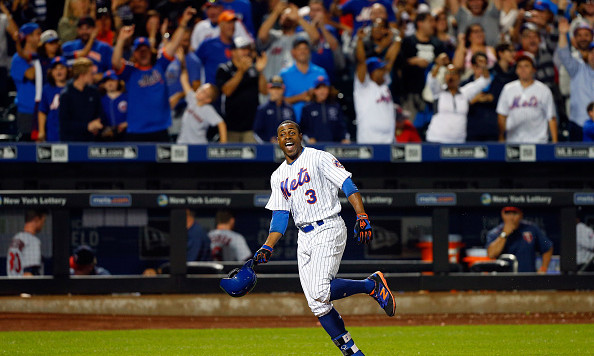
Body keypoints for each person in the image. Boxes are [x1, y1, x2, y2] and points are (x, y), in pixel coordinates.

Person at [253, 120, 396, 356]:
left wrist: (361, 214)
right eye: (282, 134)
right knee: (317, 304)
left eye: (292, 132)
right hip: (304, 237)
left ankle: (371, 285)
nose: (287, 136)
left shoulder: (318, 157)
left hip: (328, 227)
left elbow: (347, 184)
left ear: (300, 136)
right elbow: (280, 216)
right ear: (277, 141)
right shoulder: (277, 176)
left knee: (320, 290)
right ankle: (353, 353)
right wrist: (267, 246)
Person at [112, 7, 196, 142]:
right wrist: (121, 40)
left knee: (162, 163)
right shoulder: (130, 72)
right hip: (137, 130)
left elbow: (173, 45)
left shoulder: (160, 66)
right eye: (139, 50)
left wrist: (183, 23)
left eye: (145, 49)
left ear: (151, 51)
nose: (143, 52)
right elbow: (115, 62)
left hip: (160, 129)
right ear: (134, 54)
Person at [425, 58, 491, 143]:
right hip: (436, 139)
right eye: (448, 73)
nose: (451, 76)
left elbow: (485, 80)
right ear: (445, 77)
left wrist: (483, 67)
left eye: (453, 73)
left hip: (458, 141)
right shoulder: (439, 92)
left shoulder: (465, 92)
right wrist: (438, 65)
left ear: (459, 77)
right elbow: (431, 80)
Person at [496, 53, 558, 143]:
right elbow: (502, 115)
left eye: (526, 66)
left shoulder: (544, 90)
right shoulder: (508, 89)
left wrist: (555, 142)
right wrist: (501, 137)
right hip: (513, 141)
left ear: (533, 69)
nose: (523, 69)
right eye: (520, 66)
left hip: (539, 141)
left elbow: (551, 117)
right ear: (516, 70)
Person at [216, 36, 267, 142]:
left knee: (254, 157)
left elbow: (264, 91)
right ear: (233, 52)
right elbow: (227, 91)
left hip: (251, 127)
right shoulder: (224, 69)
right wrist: (241, 71)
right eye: (242, 49)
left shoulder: (254, 69)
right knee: (230, 157)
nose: (246, 52)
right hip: (231, 126)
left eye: (248, 49)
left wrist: (261, 71)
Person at [354, 27, 400, 143]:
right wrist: (359, 40)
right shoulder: (363, 86)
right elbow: (361, 61)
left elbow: (390, 60)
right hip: (369, 140)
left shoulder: (384, 84)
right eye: (380, 69)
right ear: (372, 72)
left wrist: (398, 38)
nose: (384, 71)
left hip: (389, 140)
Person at [257, 2, 320, 82]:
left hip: (296, 85)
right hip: (273, 85)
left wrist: (298, 18)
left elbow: (316, 37)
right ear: (279, 19)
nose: (287, 17)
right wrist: (276, 13)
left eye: (289, 15)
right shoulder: (273, 36)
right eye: (284, 15)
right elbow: (262, 36)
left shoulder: (303, 37)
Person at [556, 18, 594, 141]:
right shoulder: (577, 67)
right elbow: (563, 54)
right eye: (591, 53)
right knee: (575, 160)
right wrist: (562, 34)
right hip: (579, 122)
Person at [486, 206, 553, 273]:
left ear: (521, 215)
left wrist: (543, 268)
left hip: (528, 277)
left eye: (515, 213)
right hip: (504, 278)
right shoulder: (495, 233)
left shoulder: (531, 229)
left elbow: (547, 247)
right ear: (502, 214)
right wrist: (504, 234)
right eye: (507, 213)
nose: (511, 217)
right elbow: (491, 254)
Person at [280, 38, 329, 123]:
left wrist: (315, 95)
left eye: (305, 48)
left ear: (309, 51)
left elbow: (329, 97)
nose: (302, 51)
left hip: (318, 123)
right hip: (293, 124)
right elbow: (278, 100)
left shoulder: (320, 72)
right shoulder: (284, 74)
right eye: (299, 49)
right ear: (293, 52)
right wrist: (301, 97)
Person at [176, 69, 228, 144]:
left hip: (198, 146)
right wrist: (182, 61)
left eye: (204, 92)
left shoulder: (207, 110)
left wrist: (223, 144)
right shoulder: (192, 99)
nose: (200, 91)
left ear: (208, 100)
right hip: (182, 144)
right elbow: (184, 80)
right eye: (201, 88)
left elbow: (221, 124)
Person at [58, 57, 104, 141]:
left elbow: (100, 113)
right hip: (72, 142)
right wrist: (87, 126)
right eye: (91, 74)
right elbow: (65, 124)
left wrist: (98, 122)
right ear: (82, 75)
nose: (93, 76)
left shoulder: (94, 92)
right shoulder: (66, 95)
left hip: (90, 141)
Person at [10, 22, 41, 141]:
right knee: (28, 148)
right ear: (28, 37)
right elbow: (31, 75)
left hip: (44, 109)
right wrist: (43, 58)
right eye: (38, 34)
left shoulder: (43, 56)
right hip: (27, 111)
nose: (40, 37)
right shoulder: (17, 59)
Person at [300, 76, 350, 144]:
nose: (322, 91)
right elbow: (303, 128)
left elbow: (342, 126)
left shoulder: (335, 106)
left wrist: (344, 138)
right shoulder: (307, 108)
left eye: (325, 87)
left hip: (334, 146)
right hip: (314, 147)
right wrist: (309, 138)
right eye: (319, 88)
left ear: (329, 90)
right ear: (314, 91)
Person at [253, 75, 296, 143]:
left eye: (278, 88)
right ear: (269, 89)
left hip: (287, 146)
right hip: (268, 147)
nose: (276, 91)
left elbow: (295, 129)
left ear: (283, 89)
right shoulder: (262, 109)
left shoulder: (289, 109)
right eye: (273, 88)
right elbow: (257, 132)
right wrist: (268, 141)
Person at [6, 209, 48, 277]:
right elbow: (29, 273)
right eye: (43, 221)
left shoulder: (16, 238)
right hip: (25, 286)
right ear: (37, 219)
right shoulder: (32, 241)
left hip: (11, 285)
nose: (43, 224)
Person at [38, 57, 70, 142]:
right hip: (53, 133)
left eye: (62, 68)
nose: (59, 71)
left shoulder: (73, 88)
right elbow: (42, 111)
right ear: (51, 72)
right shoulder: (47, 89)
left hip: (70, 134)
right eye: (55, 69)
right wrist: (41, 131)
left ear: (67, 70)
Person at [99, 70, 128, 141]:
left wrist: (126, 124)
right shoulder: (100, 100)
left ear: (118, 82)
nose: (109, 83)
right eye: (106, 81)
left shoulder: (127, 97)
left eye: (112, 80)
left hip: (126, 135)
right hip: (106, 137)